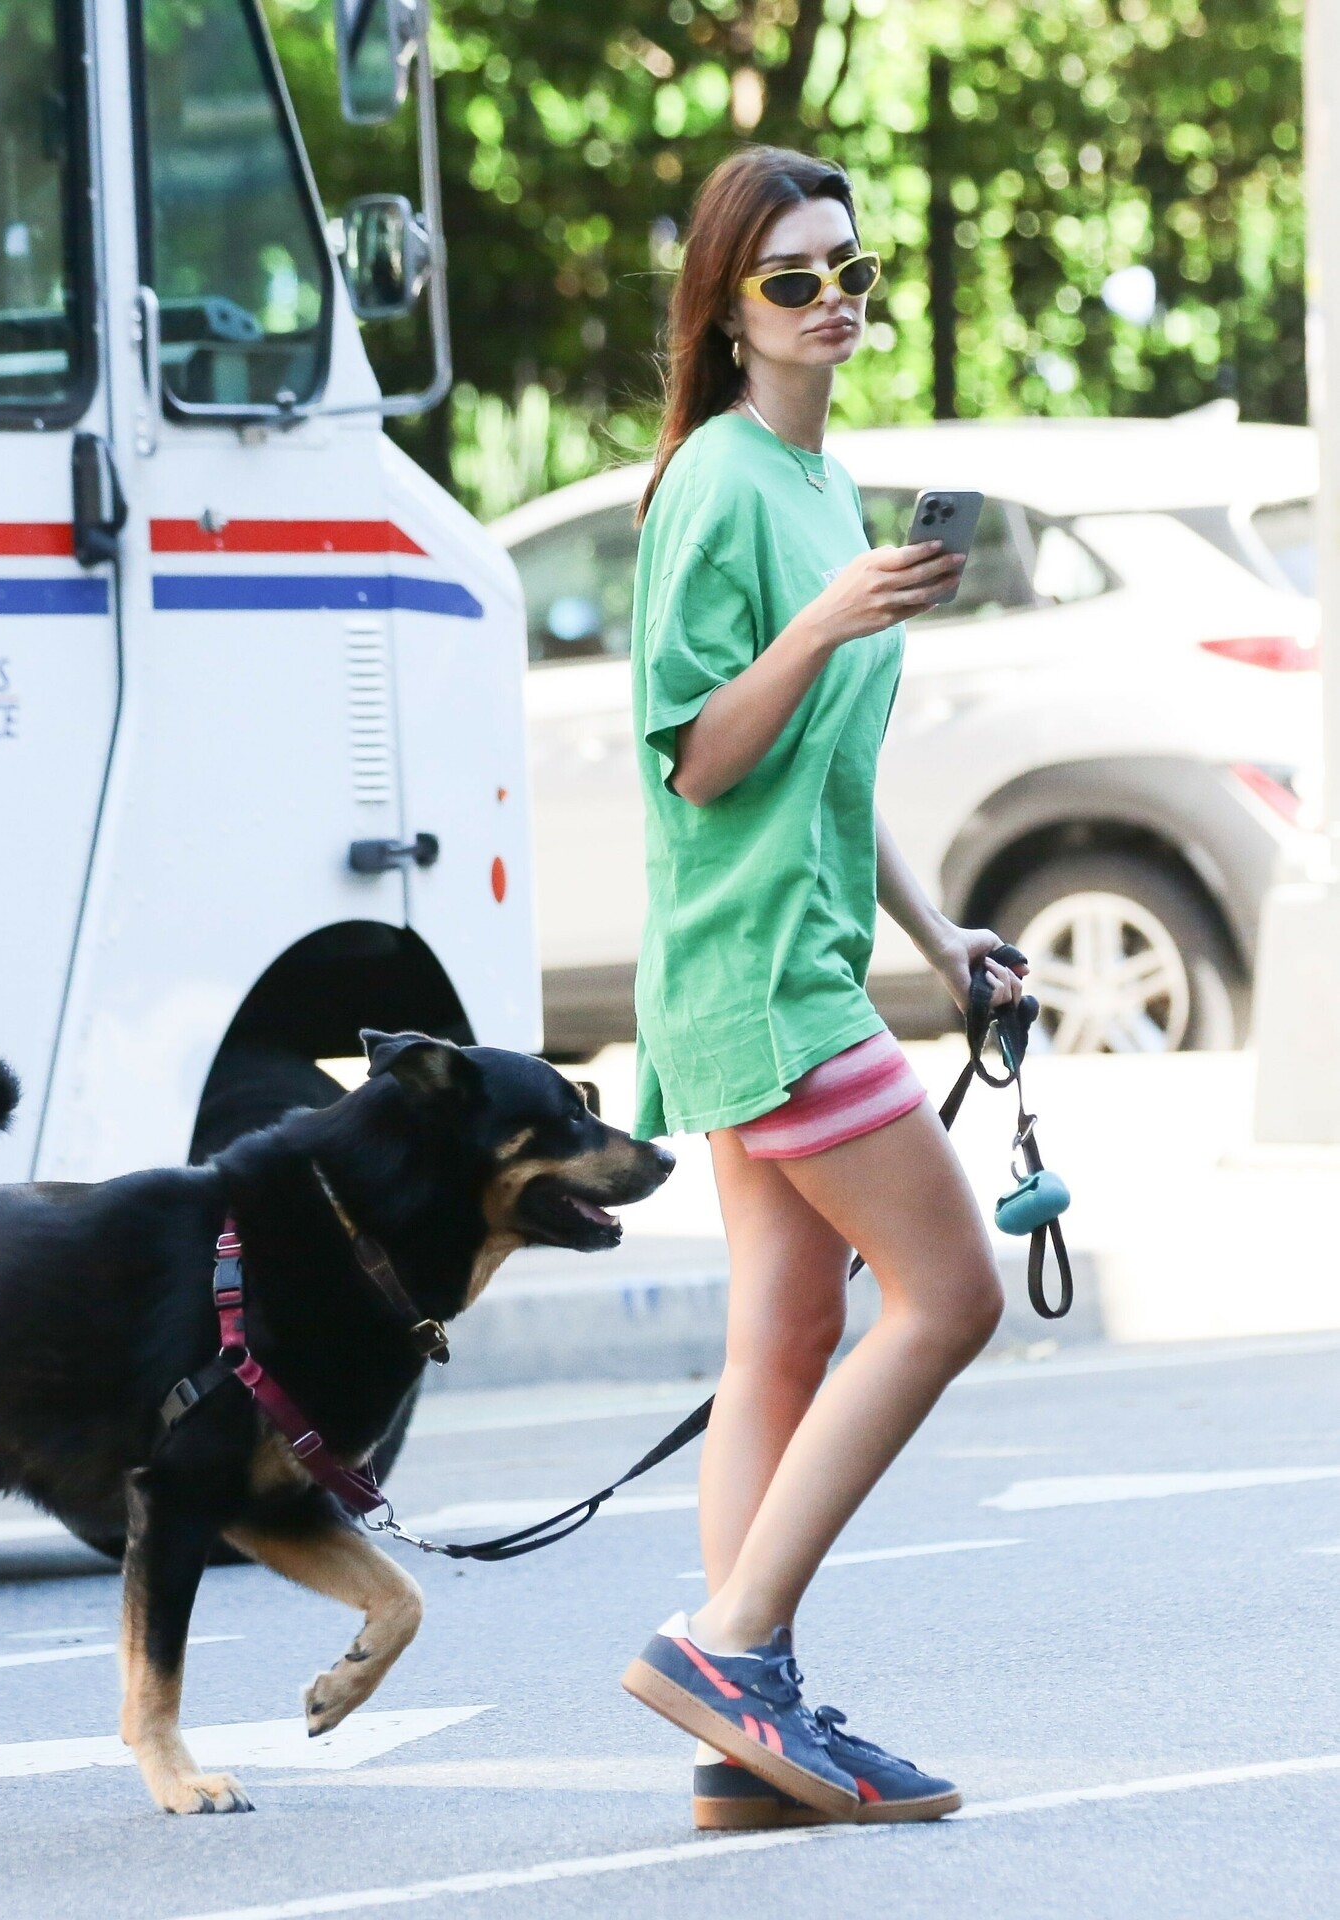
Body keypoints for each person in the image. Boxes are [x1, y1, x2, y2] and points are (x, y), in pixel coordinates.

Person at [617, 145, 1025, 1831]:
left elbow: (827, 768)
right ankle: (728, 1648)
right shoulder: (717, 486)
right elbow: (701, 760)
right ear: (728, 312)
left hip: (792, 956)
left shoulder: (818, 481)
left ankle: (744, 1736)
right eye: (794, 278)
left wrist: (938, 938)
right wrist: (824, 620)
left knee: (784, 1335)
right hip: (761, 977)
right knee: (952, 1295)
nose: (833, 300)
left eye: (850, 269)